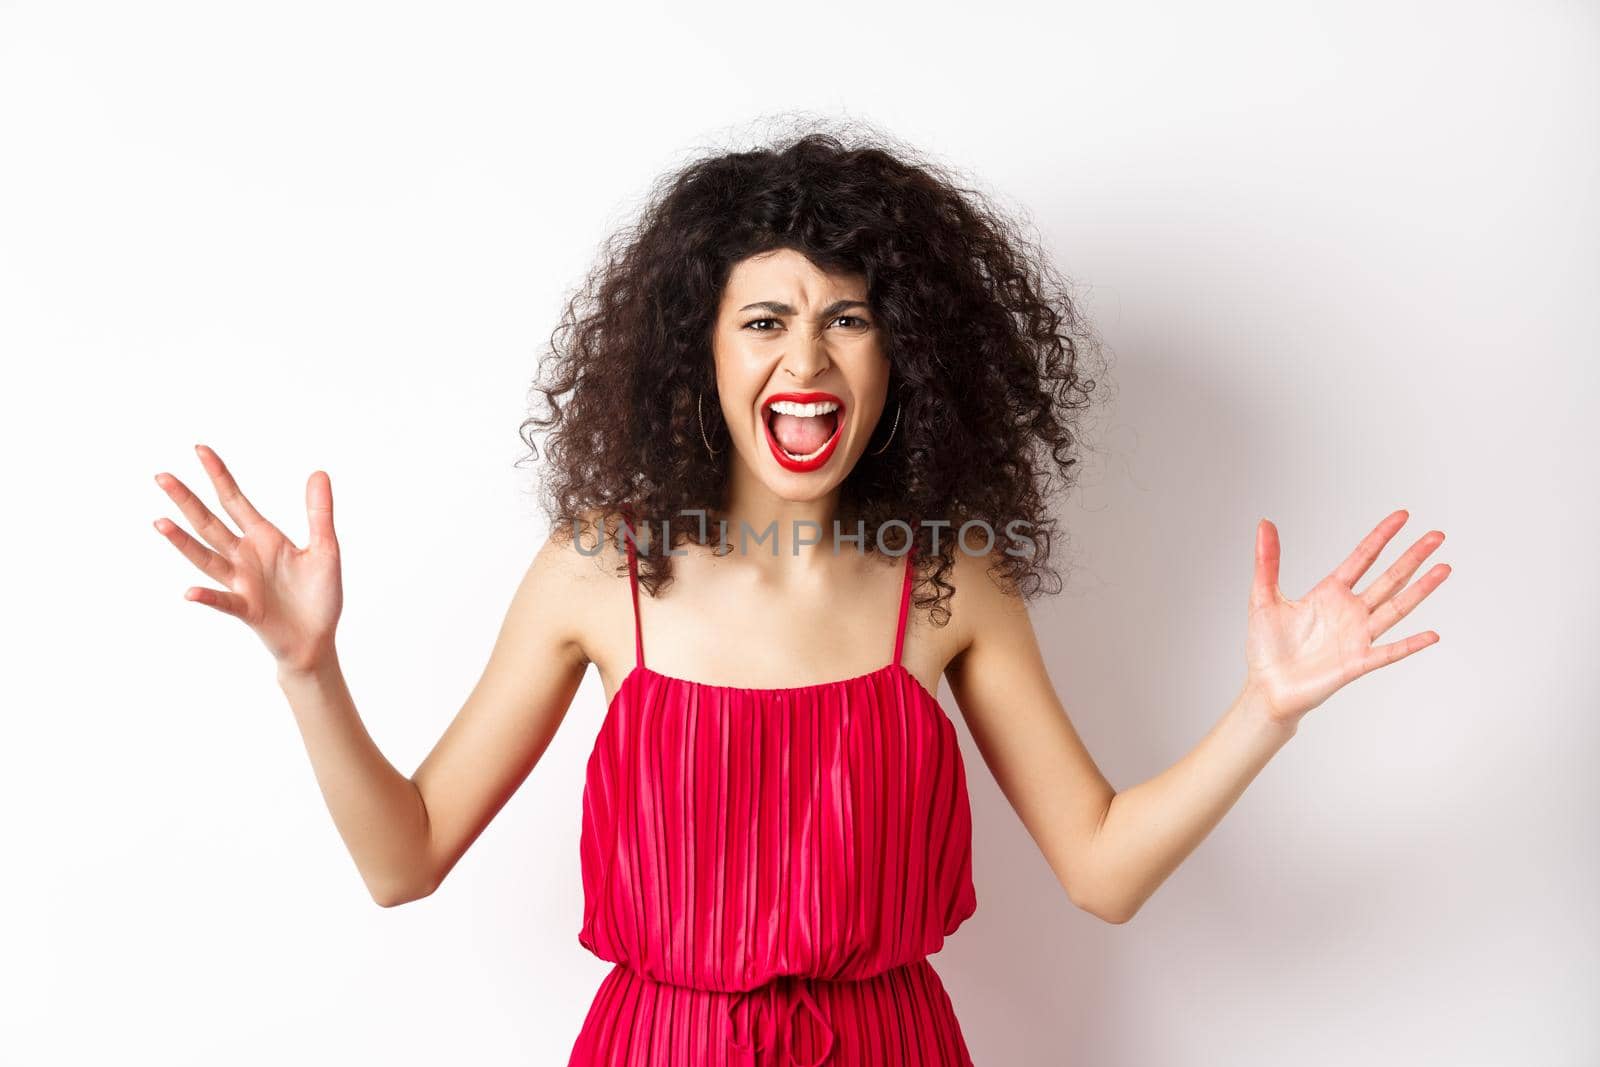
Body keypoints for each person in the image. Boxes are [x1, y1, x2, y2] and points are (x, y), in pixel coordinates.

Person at [151, 125, 1451, 1066]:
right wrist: (307, 668)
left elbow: (1102, 870)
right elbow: (404, 859)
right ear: (698, 353)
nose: (807, 356)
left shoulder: (948, 587)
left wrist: (1267, 711)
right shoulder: (602, 573)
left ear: (906, 356)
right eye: (764, 320)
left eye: (849, 317)